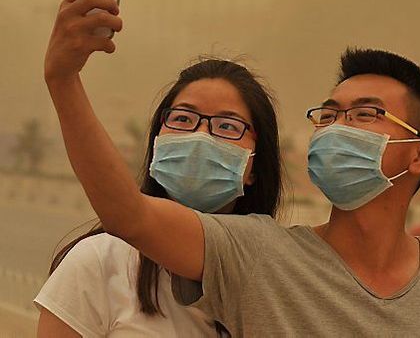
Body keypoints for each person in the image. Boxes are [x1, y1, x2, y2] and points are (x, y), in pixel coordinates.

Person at [44, 0, 420, 337]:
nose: (337, 128)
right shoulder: (260, 254)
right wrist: (64, 79)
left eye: (365, 114)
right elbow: (129, 215)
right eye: (329, 115)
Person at [35, 56, 284, 337]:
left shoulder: (274, 280)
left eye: (227, 126)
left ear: (254, 165)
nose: (200, 136)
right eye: (182, 119)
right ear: (157, 142)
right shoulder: (101, 261)